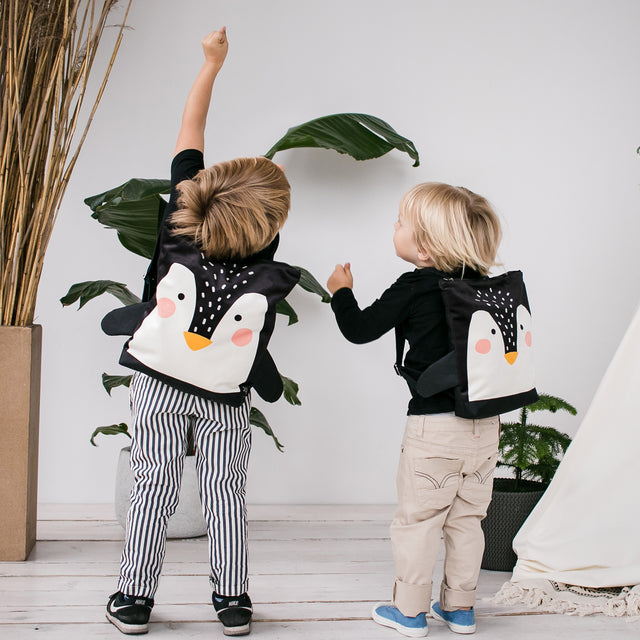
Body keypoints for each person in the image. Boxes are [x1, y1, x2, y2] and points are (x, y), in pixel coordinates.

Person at [105, 27, 299, 636]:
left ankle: (134, 598)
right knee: (224, 491)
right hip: (225, 391)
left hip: (157, 379)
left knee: (152, 486)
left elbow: (190, 132)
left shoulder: (179, 224)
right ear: (270, 225)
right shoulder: (264, 250)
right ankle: (232, 601)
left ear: (200, 192)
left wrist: (211, 63)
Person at [327, 183, 502, 637]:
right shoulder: (485, 286)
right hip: (486, 426)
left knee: (420, 522)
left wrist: (341, 292)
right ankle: (460, 608)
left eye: (401, 221)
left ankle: (408, 612)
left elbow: (359, 329)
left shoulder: (415, 286)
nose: (395, 225)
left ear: (424, 249)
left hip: (434, 427)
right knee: (467, 521)